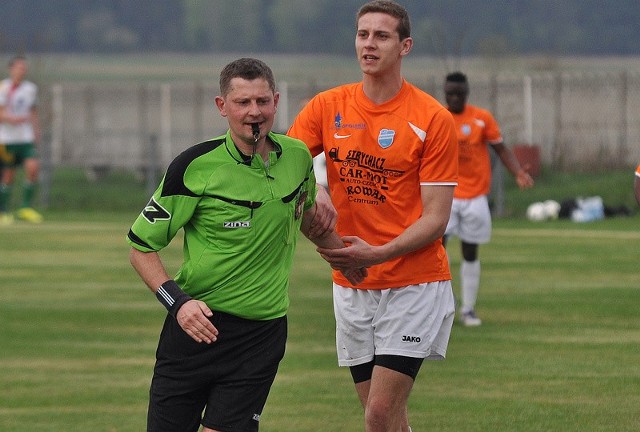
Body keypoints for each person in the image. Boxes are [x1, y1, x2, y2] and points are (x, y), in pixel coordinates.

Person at [127, 57, 363, 432]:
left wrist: (349, 259)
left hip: (261, 335)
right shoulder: (194, 166)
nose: (255, 112)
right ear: (222, 107)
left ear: (276, 101)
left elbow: (305, 219)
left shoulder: (299, 157)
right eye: (242, 103)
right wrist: (179, 304)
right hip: (194, 327)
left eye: (263, 101)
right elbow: (141, 248)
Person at [288, 2, 459, 431]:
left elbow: (436, 219)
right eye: (362, 34)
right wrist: (318, 188)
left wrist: (376, 254)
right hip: (352, 284)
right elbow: (284, 169)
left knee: (380, 412)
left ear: (405, 46)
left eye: (381, 36)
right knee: (383, 418)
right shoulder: (327, 106)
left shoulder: (432, 118)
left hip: (413, 281)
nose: (369, 44)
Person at [442, 71, 534, 327]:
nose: (455, 97)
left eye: (460, 93)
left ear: (467, 93)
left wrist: (517, 172)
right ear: (445, 93)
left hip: (474, 197)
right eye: (451, 93)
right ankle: (444, 306)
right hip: (445, 195)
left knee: (470, 251)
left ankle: (468, 309)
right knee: (436, 250)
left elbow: (501, 148)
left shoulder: (481, 118)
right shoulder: (439, 117)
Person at [0, 55, 42, 224]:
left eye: (24, 68)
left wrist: (36, 131)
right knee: (9, 175)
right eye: (19, 67)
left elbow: (32, 112)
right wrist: (11, 119)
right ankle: (3, 212)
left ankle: (25, 208)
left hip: (25, 137)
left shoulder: (30, 88)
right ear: (11, 69)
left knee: (33, 168)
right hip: (7, 139)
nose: (22, 71)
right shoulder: (3, 87)